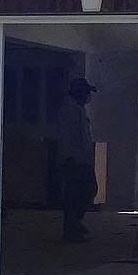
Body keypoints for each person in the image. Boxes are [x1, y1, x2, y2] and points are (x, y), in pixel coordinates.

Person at [56, 77, 99, 242]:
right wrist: (70, 157)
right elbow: (67, 137)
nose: (88, 95)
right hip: (73, 161)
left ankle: (76, 222)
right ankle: (71, 228)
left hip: (83, 160)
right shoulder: (69, 110)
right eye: (86, 92)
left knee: (89, 190)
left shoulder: (79, 109)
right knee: (74, 195)